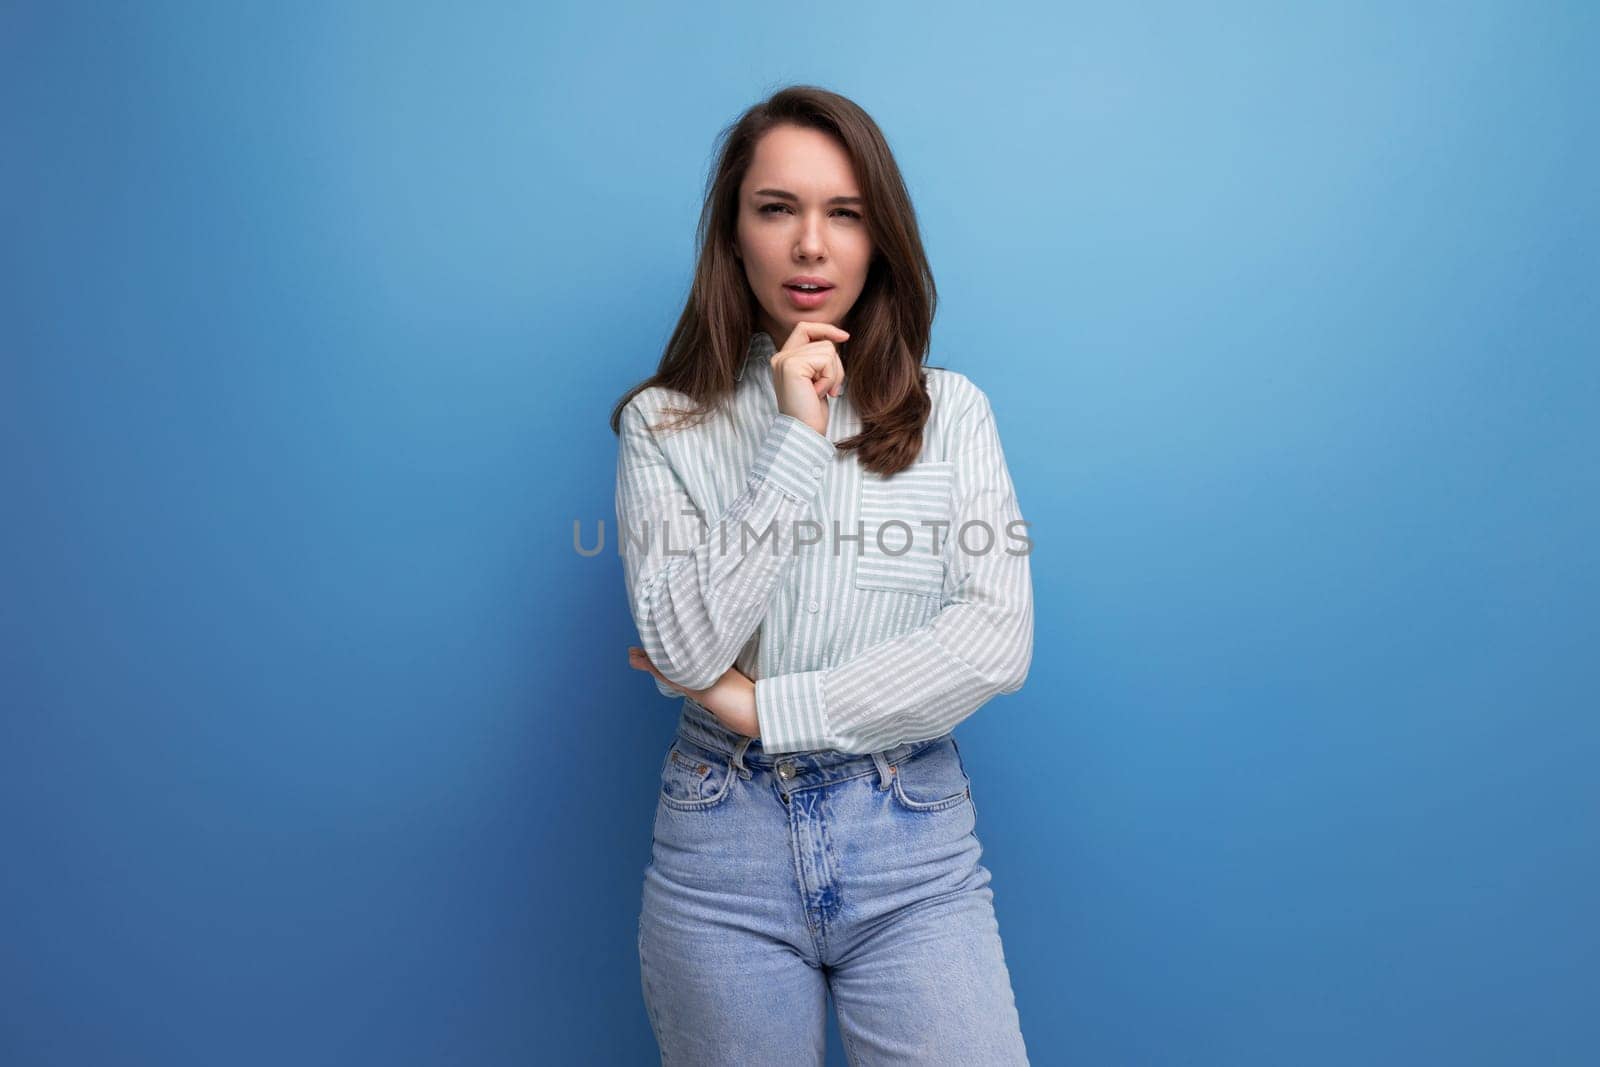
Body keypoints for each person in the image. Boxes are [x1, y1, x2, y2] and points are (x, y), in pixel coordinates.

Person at [610, 84, 1034, 1065]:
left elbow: (994, 641)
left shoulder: (953, 413)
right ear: (732, 236)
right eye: (777, 209)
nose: (811, 244)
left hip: (911, 843)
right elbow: (681, 646)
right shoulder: (661, 424)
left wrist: (765, 709)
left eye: (843, 213)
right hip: (722, 857)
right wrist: (793, 437)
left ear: (879, 238)